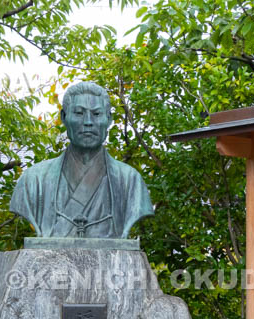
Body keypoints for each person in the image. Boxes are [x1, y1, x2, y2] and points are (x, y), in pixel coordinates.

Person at [9, 82, 153, 238]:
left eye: (97, 114)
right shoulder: (33, 180)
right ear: (64, 117)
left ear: (109, 119)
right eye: (79, 113)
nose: (88, 122)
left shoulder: (131, 181)